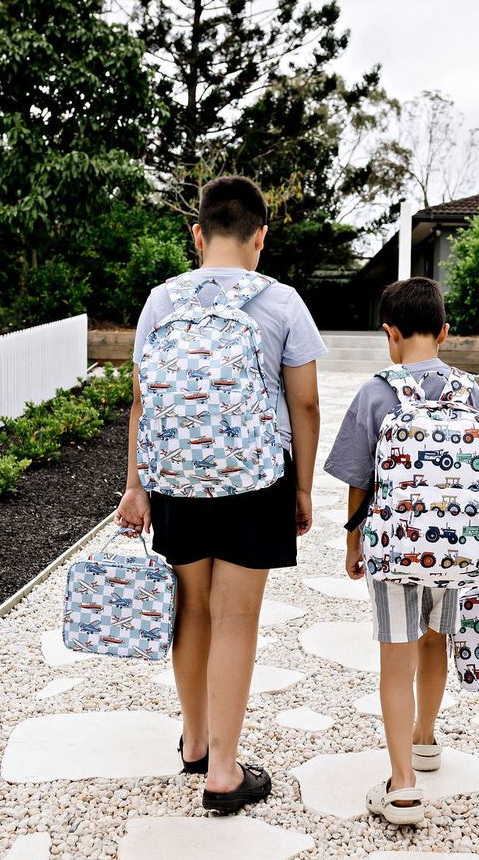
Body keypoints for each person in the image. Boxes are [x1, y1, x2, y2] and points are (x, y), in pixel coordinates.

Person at [115, 175, 326, 813]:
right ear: (260, 237)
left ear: (198, 234)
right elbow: (306, 403)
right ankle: (225, 773)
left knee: (191, 610)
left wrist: (135, 485)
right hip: (256, 478)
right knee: (235, 617)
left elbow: (142, 402)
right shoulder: (282, 301)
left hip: (176, 477)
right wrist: (303, 486)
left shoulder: (161, 301)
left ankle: (196, 743)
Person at [324, 277, 479, 825]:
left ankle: (403, 783)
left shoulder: (376, 392)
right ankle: (426, 737)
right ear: (444, 332)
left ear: (391, 333)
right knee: (435, 642)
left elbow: (359, 478)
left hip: (395, 547)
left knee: (396, 656)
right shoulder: (469, 391)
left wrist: (354, 540)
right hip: (459, 547)